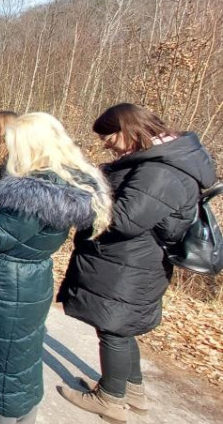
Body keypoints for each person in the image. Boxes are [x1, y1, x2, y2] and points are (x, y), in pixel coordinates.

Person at [0, 112, 112, 424]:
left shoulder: (36, 192)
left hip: (5, 285)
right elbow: (9, 224)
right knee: (18, 361)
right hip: (28, 281)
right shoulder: (61, 183)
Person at [56, 103, 216, 422]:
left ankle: (111, 399)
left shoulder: (161, 169)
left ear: (127, 129)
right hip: (134, 261)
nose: (105, 143)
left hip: (130, 262)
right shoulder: (161, 161)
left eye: (108, 136)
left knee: (113, 328)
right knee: (122, 327)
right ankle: (131, 390)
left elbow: (125, 219)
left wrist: (86, 194)